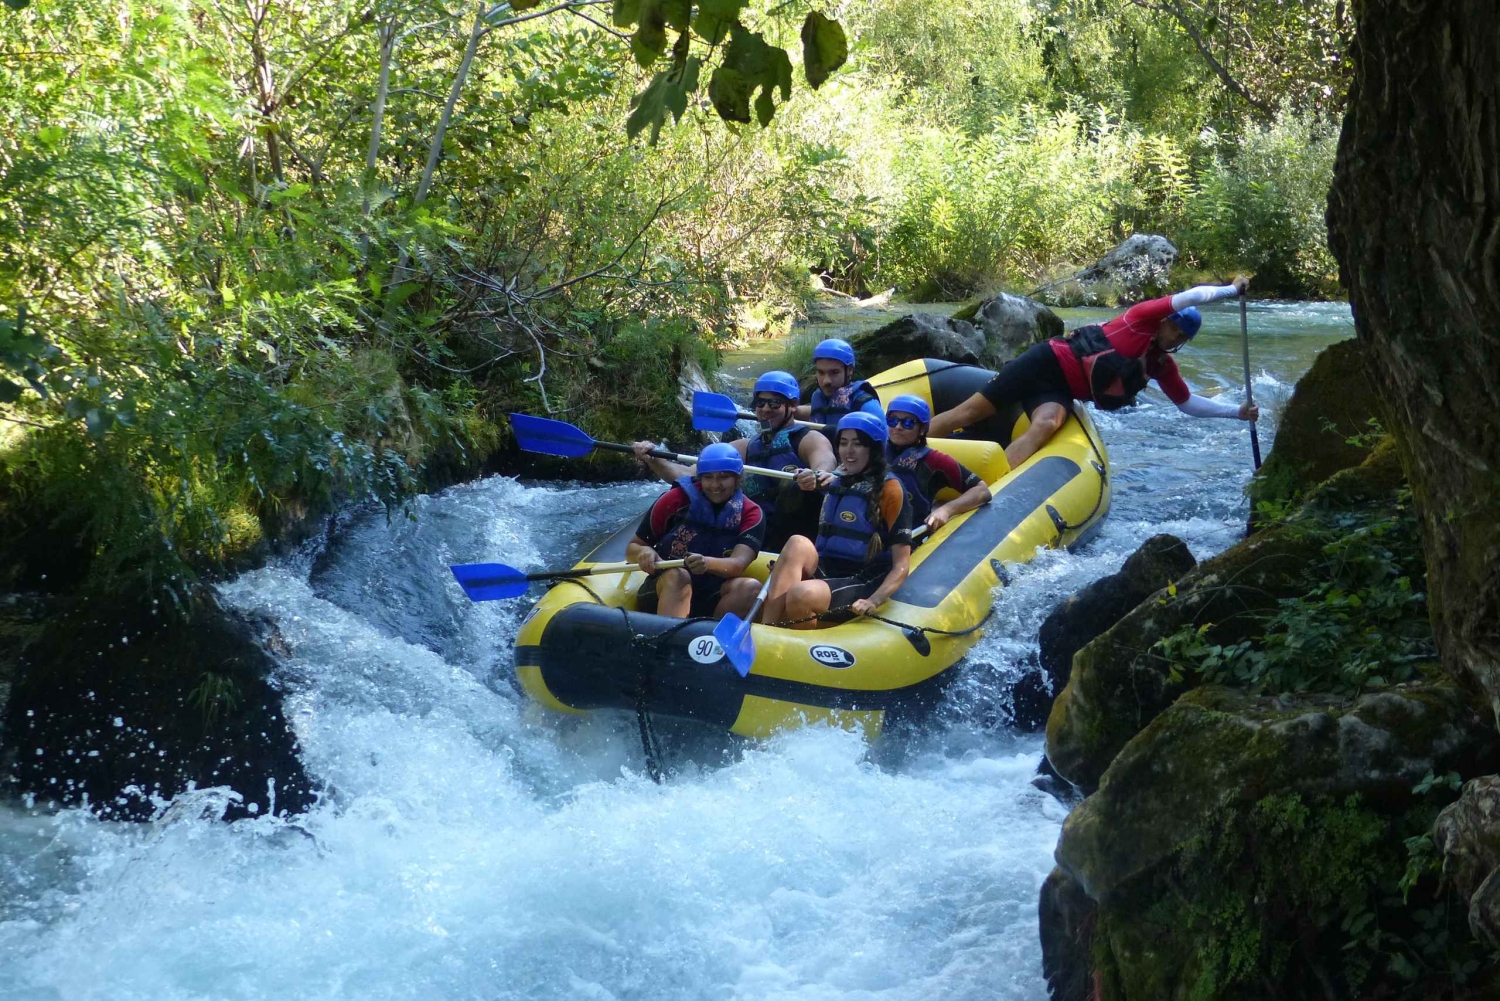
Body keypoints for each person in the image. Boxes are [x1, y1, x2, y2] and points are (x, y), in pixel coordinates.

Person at [928, 276, 1261, 467]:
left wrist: (1237, 412)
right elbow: (1192, 295)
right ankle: (900, 447)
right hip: (1044, 362)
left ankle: (994, 482)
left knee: (1045, 424)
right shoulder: (1140, 317)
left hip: (1059, 390)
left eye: (1183, 338)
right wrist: (1231, 290)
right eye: (1176, 331)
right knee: (969, 411)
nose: (1176, 340)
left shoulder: (1160, 364)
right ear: (1164, 321)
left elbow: (1188, 404)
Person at [633, 370, 835, 552]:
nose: (765, 409)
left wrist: (815, 476)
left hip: (795, 535)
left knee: (793, 488)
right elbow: (686, 476)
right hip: (751, 532)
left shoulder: (808, 439)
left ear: (792, 406)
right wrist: (654, 458)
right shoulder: (743, 447)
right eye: (760, 403)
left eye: (774, 403)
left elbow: (825, 463)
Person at [759, 412, 913, 630]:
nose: (848, 451)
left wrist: (874, 601)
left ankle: (797, 645)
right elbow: (818, 479)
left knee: (800, 594)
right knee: (796, 543)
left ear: (874, 449)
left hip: (862, 577)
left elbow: (902, 565)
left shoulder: (891, 490)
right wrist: (787, 565)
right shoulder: (838, 481)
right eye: (843, 443)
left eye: (857, 444)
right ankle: (767, 631)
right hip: (829, 567)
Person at [624, 443, 765, 619]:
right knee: (679, 576)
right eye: (708, 477)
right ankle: (669, 642)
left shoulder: (751, 513)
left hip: (712, 593)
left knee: (751, 588)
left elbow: (737, 565)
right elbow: (633, 548)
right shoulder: (674, 500)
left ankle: (710, 642)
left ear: (737, 478)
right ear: (700, 478)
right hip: (665, 587)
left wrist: (707, 563)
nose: (715, 485)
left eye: (724, 477)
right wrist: (645, 552)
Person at [884, 394, 992, 531]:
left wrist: (946, 510)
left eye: (908, 423)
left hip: (909, 538)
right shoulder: (871, 452)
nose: (898, 427)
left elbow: (982, 490)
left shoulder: (934, 460)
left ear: (922, 429)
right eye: (892, 421)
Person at [795, 338, 884, 444]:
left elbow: (883, 446)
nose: (826, 381)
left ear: (849, 370)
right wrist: (792, 410)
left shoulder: (866, 404)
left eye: (834, 372)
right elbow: (822, 410)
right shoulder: (819, 397)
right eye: (821, 372)